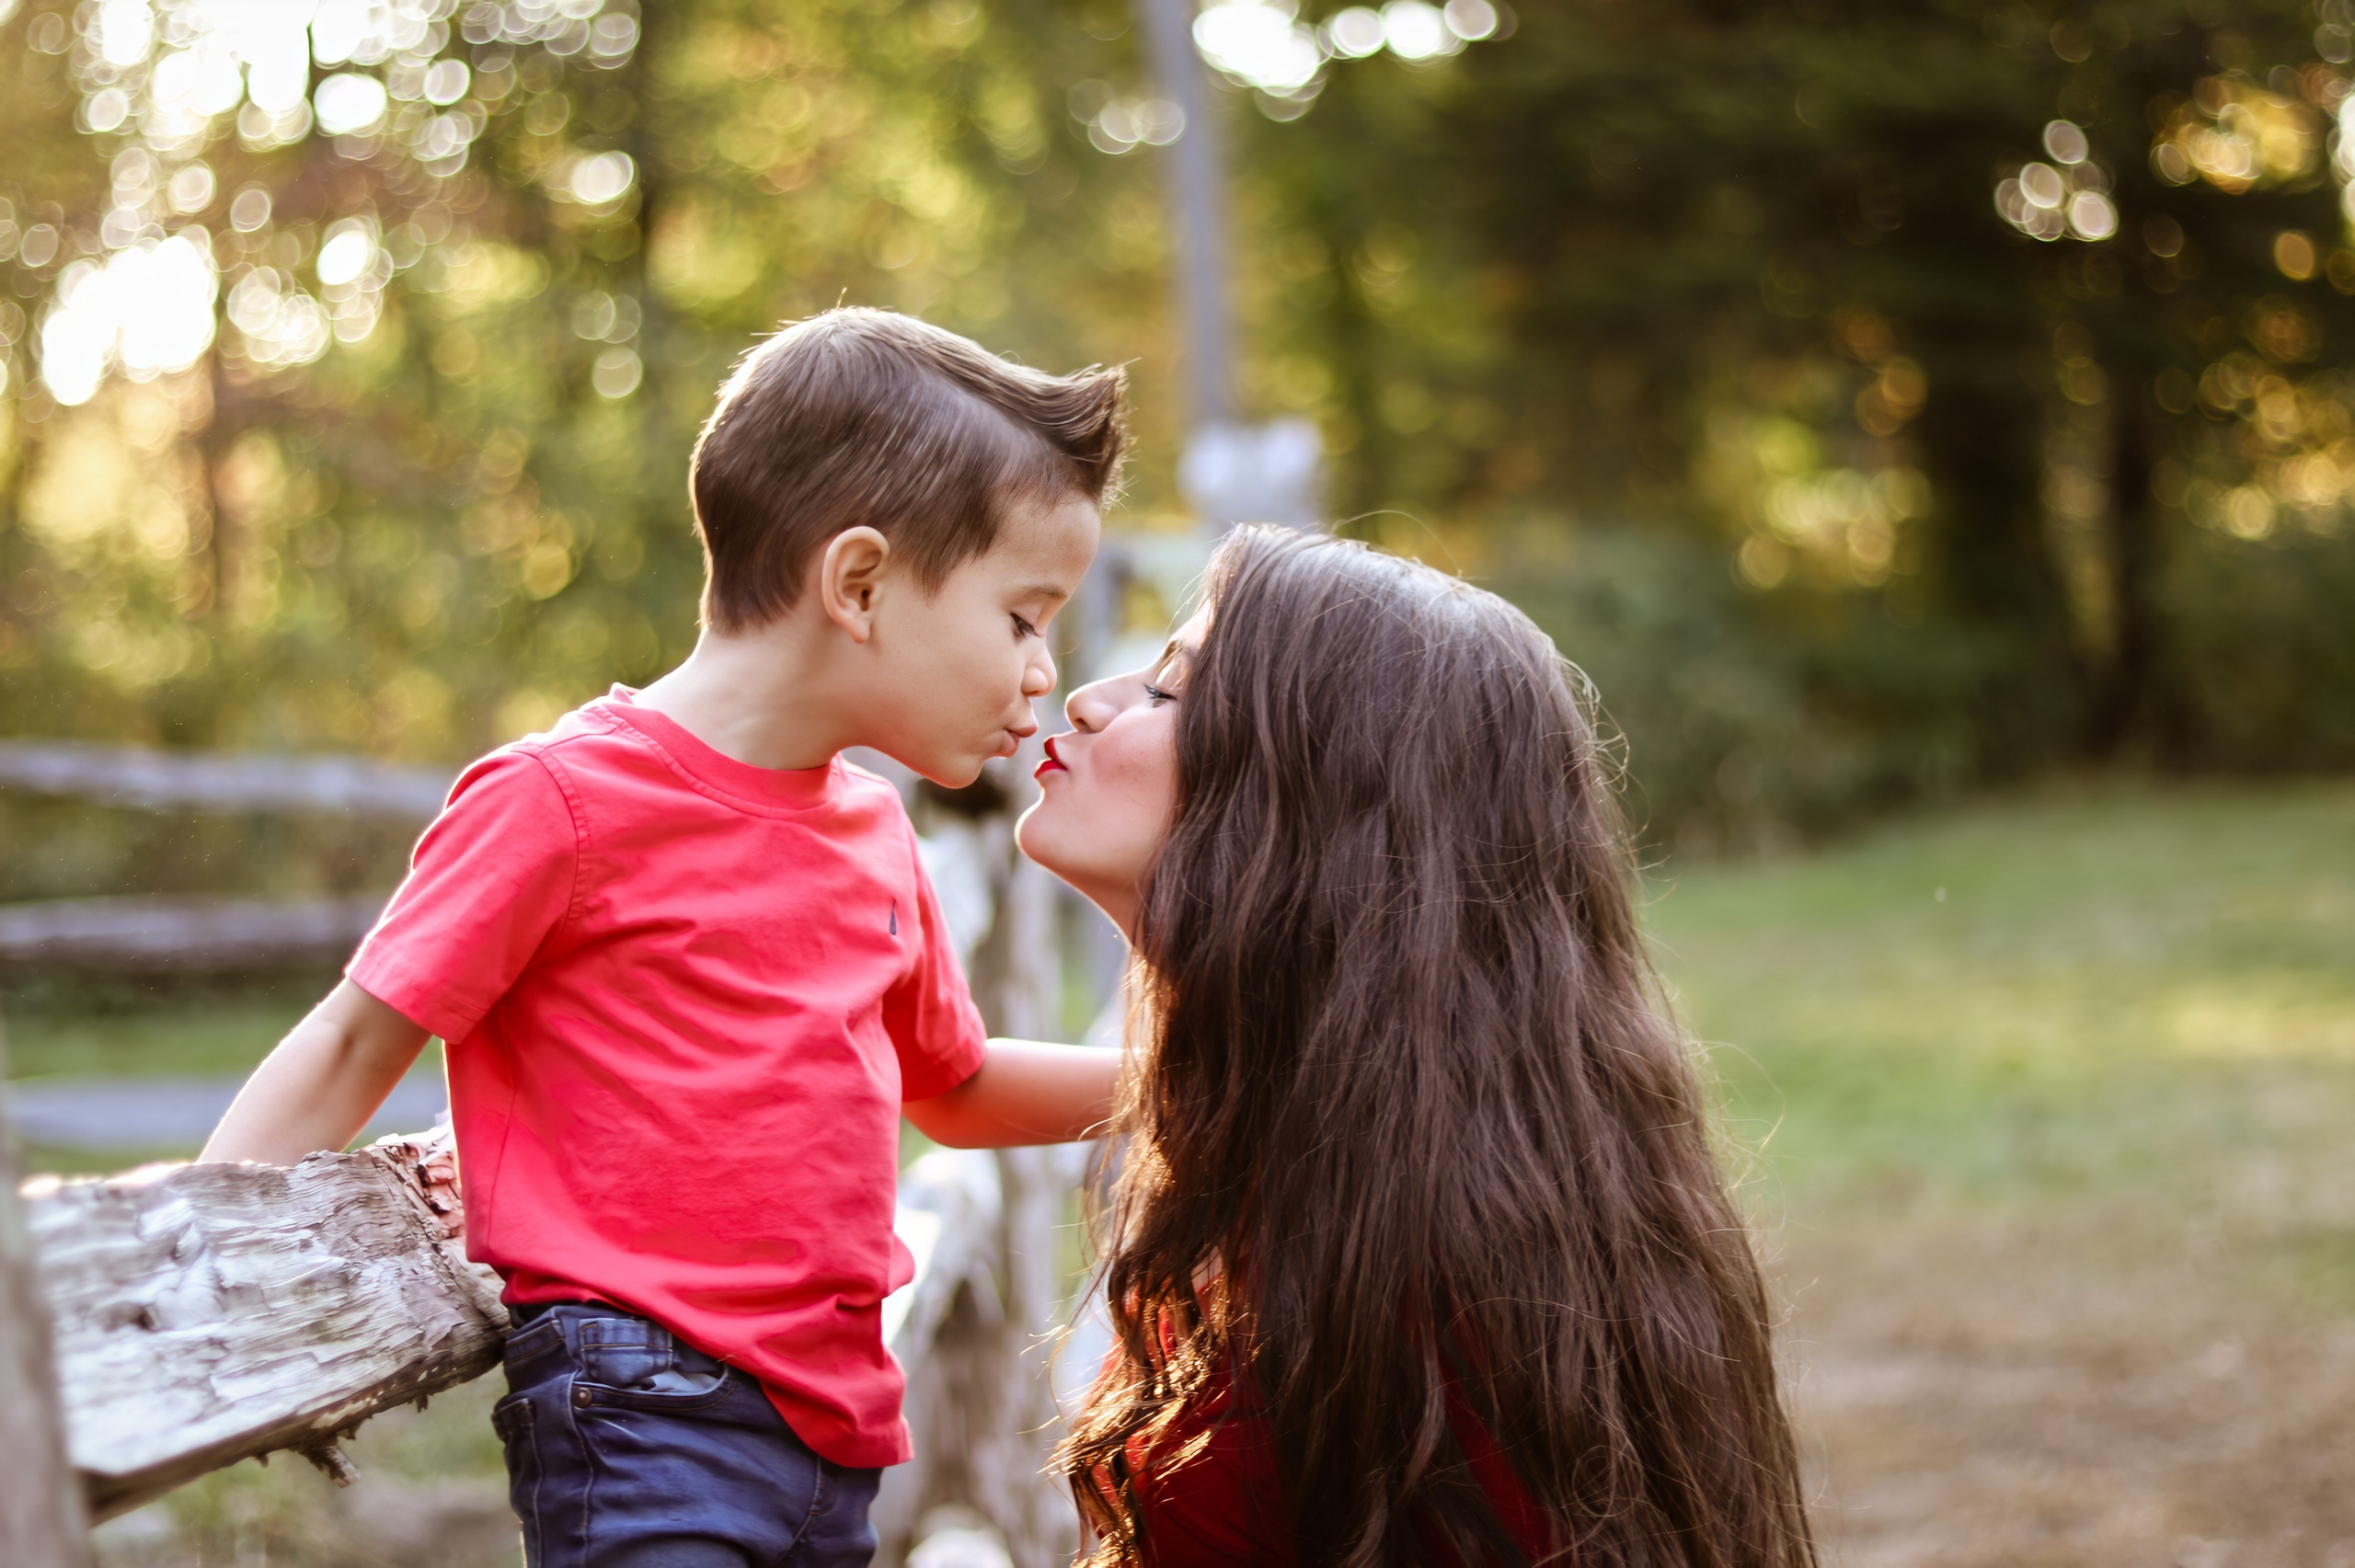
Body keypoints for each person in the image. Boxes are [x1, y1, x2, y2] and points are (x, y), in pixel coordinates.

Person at [200, 308, 1129, 1568]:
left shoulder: (871, 833)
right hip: (644, 1408)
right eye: (1022, 617)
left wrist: (1191, 1084)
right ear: (858, 584)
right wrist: (210, 1254)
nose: (1042, 671)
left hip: (832, 1433)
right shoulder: (564, 802)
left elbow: (953, 1087)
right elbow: (362, 1032)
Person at [1017, 527, 1816, 1568]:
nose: (1087, 698)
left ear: (1308, 803)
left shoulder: (1416, 1299)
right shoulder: (1327, 1143)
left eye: (1168, 691)